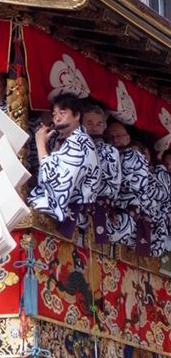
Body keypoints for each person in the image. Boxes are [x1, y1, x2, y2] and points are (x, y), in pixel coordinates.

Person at [28, 92, 100, 236]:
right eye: (54, 114)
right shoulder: (63, 141)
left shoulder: (80, 142)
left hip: (70, 213)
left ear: (77, 115)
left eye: (62, 112)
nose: (57, 118)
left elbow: (57, 183)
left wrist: (40, 143)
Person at [105, 120, 151, 252]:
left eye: (118, 136)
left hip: (125, 213)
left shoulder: (134, 156)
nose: (115, 140)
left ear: (127, 138)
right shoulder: (110, 153)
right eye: (110, 137)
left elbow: (129, 188)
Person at [81, 104, 121, 243]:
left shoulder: (112, 152)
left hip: (102, 209)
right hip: (78, 207)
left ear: (104, 126)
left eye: (99, 123)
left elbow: (116, 183)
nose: (94, 127)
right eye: (89, 123)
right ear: (81, 124)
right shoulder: (74, 145)